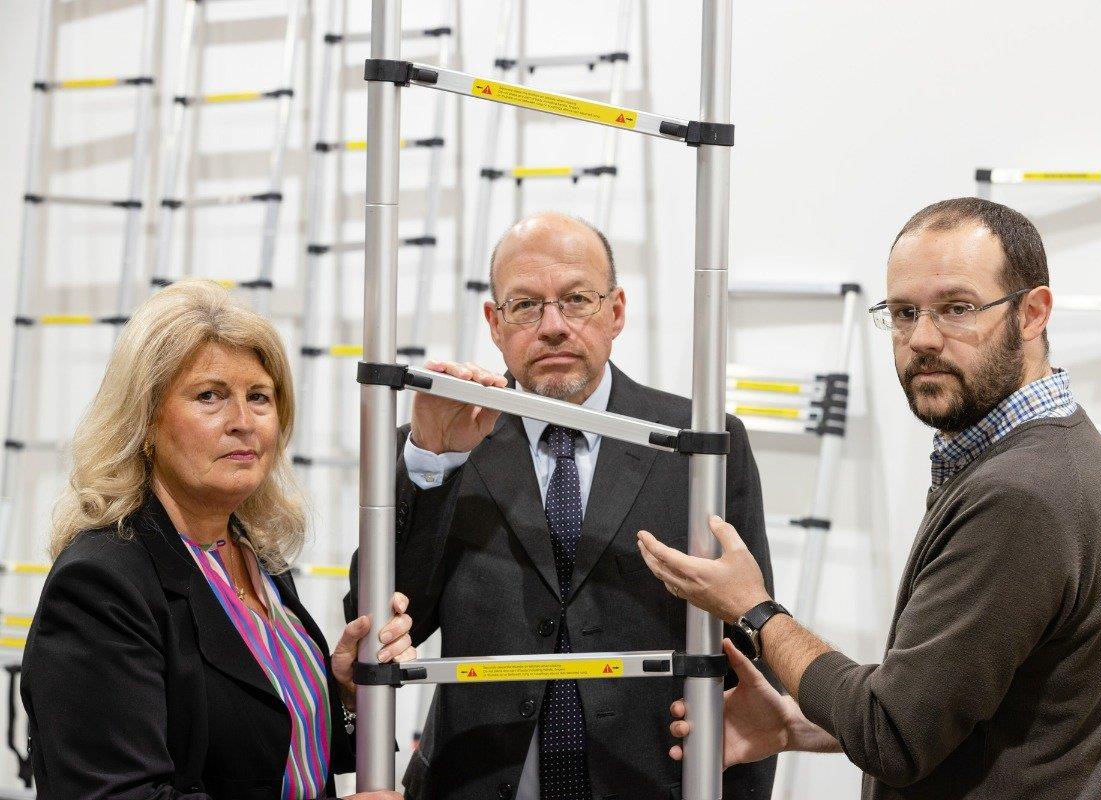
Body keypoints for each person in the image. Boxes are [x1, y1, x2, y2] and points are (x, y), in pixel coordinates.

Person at [638, 198, 1101, 799]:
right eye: (905, 313)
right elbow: (948, 703)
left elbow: (894, 734)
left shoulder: (1022, 495)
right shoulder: (1053, 449)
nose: (923, 339)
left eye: (957, 309)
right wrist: (793, 726)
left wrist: (754, 609)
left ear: (1033, 313)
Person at [345, 211, 777, 799]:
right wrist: (432, 461)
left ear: (617, 311)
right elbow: (382, 623)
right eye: (525, 305)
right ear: (494, 323)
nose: (553, 326)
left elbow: (752, 659)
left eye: (577, 300)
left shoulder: (699, 443)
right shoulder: (440, 439)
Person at [21, 279, 414, 800]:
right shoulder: (100, 583)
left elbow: (272, 748)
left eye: (259, 397)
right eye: (210, 396)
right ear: (145, 420)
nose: (244, 422)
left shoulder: (256, 556)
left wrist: (341, 695)